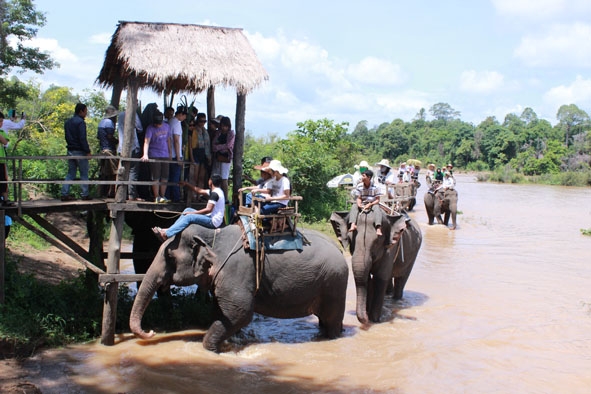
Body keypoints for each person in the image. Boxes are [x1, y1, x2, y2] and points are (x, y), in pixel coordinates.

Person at [151, 175, 225, 241]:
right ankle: (170, 229)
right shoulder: (216, 191)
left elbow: (208, 209)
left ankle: (166, 234)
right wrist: (187, 184)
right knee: (187, 210)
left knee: (189, 217)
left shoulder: (215, 194)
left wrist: (192, 213)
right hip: (210, 217)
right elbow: (199, 190)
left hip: (212, 221)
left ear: (211, 181)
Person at [61, 103, 92, 201]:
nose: (86, 113)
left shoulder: (68, 122)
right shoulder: (81, 122)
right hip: (79, 151)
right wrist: (87, 151)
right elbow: (82, 138)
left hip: (70, 150)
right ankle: (85, 194)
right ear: (81, 111)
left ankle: (64, 193)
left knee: (71, 173)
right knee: (84, 173)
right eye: (85, 111)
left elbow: (66, 137)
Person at [141, 111, 171, 203]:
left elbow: (168, 140)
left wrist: (170, 153)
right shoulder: (150, 128)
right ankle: (156, 196)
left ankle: (163, 195)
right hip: (154, 154)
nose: (158, 125)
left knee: (165, 175)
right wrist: (145, 154)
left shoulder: (167, 126)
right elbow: (146, 141)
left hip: (165, 154)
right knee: (156, 176)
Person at [117, 110, 144, 201]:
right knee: (133, 171)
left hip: (121, 147)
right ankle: (132, 195)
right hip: (132, 146)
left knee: (123, 171)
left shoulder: (120, 115)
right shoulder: (133, 113)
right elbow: (140, 128)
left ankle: (120, 194)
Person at [348, 169, 383, 236]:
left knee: (377, 209)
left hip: (372, 203)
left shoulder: (376, 187)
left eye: (363, 176)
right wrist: (359, 204)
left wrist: (371, 204)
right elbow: (359, 198)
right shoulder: (359, 186)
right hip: (363, 203)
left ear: (369, 177)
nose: (362, 177)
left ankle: (378, 228)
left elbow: (377, 200)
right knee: (354, 206)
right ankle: (353, 224)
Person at [165, 106, 187, 202]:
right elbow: (176, 140)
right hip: (174, 155)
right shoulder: (177, 123)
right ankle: (176, 198)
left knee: (169, 177)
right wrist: (179, 157)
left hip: (168, 154)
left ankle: (168, 196)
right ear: (181, 115)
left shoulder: (170, 121)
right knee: (175, 178)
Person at [97, 105, 119, 197]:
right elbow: (110, 136)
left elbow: (98, 136)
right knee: (114, 172)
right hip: (109, 150)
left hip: (103, 149)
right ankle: (112, 192)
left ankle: (102, 192)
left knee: (104, 172)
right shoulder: (109, 123)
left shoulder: (101, 123)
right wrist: (117, 141)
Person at [211, 116, 235, 201]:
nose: (223, 128)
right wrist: (222, 147)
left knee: (224, 178)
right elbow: (213, 146)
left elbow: (229, 146)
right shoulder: (218, 133)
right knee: (216, 177)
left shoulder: (231, 133)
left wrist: (219, 146)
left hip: (226, 158)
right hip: (217, 158)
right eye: (222, 126)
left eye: (225, 126)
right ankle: (216, 197)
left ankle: (226, 199)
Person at [187, 113, 211, 190]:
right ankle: (193, 195)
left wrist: (209, 157)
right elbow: (191, 145)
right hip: (196, 153)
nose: (202, 123)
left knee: (201, 177)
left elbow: (207, 145)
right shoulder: (194, 130)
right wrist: (192, 157)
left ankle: (199, 195)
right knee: (194, 177)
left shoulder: (205, 131)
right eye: (201, 121)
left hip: (204, 154)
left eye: (204, 121)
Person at [0, 112, 15, 206]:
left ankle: (5, 200)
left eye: (1, 121)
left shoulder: (2, 132)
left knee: (3, 180)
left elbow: (5, 142)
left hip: (1, 160)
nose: (0, 123)